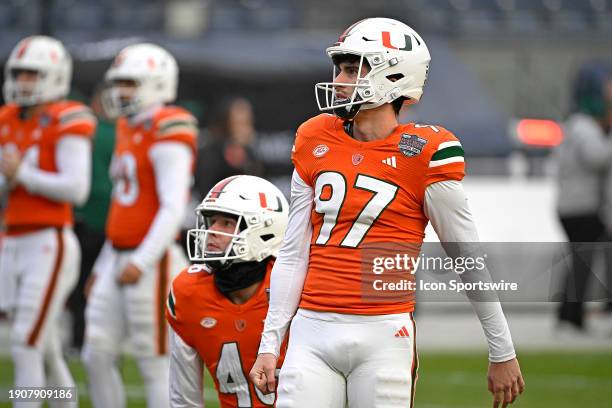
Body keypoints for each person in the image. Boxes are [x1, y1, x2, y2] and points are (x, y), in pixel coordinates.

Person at [250, 17, 525, 408]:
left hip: (384, 333)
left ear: (392, 75)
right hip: (311, 328)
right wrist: (269, 343)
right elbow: (294, 253)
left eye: (351, 68)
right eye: (340, 68)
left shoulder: (427, 151)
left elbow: (466, 256)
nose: (340, 79)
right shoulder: (314, 137)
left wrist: (502, 350)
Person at [81, 43, 197, 408]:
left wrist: (141, 260)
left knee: (155, 360)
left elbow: (173, 207)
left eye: (130, 83)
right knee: (95, 353)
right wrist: (105, 264)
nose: (121, 92)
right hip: (117, 253)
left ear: (157, 83)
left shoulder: (167, 127)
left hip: (154, 259)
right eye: (118, 83)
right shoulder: (128, 126)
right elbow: (123, 206)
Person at [0, 35, 96, 405]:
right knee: (47, 344)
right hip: (13, 238)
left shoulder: (66, 118)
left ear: (54, 76)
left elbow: (76, 189)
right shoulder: (8, 117)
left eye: (32, 74)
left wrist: (22, 175)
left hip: (49, 239)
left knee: (26, 339)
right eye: (19, 73)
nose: (23, 82)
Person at [166, 175, 288, 407]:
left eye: (226, 223)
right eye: (211, 221)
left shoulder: (296, 289)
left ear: (264, 230)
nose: (211, 231)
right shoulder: (189, 293)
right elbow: (183, 401)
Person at [556, 62, 612, 332]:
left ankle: (570, 314)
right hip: (580, 207)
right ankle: (570, 315)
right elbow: (598, 157)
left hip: (577, 206)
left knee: (581, 261)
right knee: (582, 262)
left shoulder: (578, 125)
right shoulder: (582, 126)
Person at [68, 85, 116, 352]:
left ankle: (80, 339)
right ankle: (99, 340)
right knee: (101, 287)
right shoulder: (121, 133)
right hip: (109, 222)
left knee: (81, 285)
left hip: (85, 217)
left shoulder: (87, 131)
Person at [194, 97, 263, 200]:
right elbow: (205, 191)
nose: (246, 129)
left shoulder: (250, 154)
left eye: (248, 122)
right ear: (226, 124)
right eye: (239, 123)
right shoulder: (211, 154)